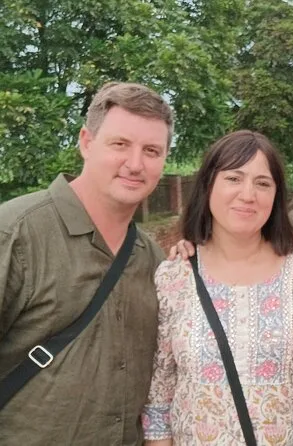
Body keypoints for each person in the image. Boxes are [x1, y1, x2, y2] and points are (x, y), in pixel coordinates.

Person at [0, 82, 172, 445]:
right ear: (86, 142)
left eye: (151, 150)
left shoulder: (154, 261)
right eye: (120, 144)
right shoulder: (16, 235)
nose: (135, 164)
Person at [142, 130, 293, 445]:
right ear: (208, 185)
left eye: (262, 183)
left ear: (276, 195)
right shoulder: (175, 276)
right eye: (234, 178)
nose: (248, 195)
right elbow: (161, 387)